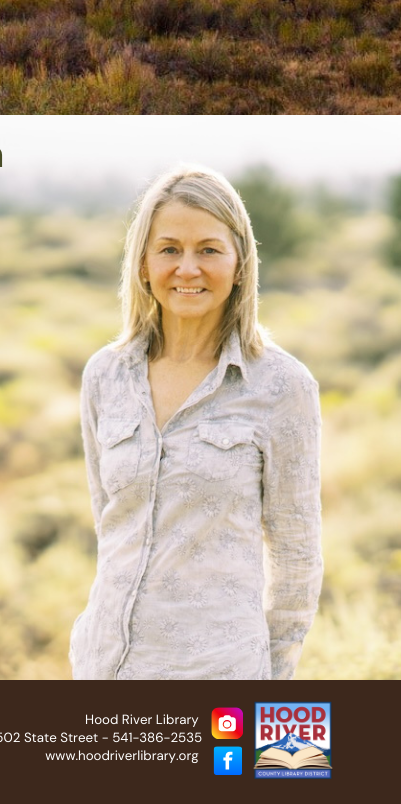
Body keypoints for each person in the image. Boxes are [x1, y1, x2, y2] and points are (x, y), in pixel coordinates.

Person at [70, 165, 322, 680]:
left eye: (209, 249)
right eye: (169, 249)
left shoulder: (281, 386)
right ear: (143, 264)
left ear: (240, 264)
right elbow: (112, 526)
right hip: (106, 669)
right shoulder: (105, 376)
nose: (188, 268)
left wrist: (270, 678)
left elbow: (298, 556)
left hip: (220, 679)